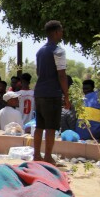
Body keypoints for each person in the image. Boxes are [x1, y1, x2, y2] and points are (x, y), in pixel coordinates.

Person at [33, 20, 70, 164]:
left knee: (39, 126)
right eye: (60, 31)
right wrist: (66, 96)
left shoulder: (40, 51)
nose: (62, 33)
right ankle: (48, 156)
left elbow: (38, 71)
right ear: (55, 32)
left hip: (39, 92)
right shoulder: (59, 50)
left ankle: (37, 155)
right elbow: (62, 75)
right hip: (52, 93)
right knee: (51, 127)